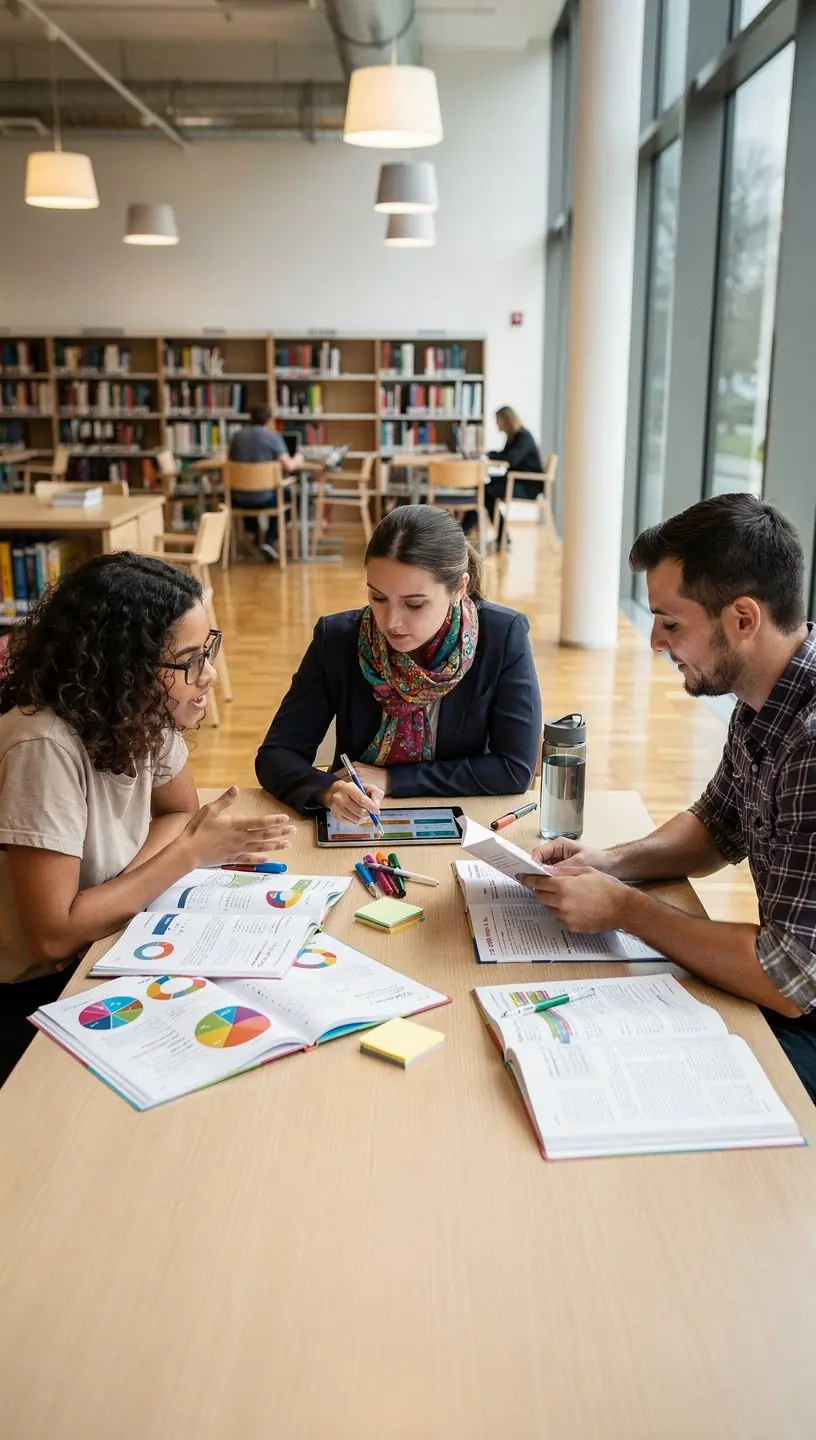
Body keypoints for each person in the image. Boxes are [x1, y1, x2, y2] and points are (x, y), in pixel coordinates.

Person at [522, 493, 816, 1099]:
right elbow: (716, 827)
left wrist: (625, 910)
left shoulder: (810, 743)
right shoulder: (765, 699)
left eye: (671, 622)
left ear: (743, 618)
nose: (655, 640)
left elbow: (789, 977)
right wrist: (611, 863)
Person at [0, 552, 295, 1083]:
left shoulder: (139, 712)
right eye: (189, 661)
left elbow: (179, 809)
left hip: (99, 946)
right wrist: (185, 856)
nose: (207, 675)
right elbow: (51, 936)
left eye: (208, 651)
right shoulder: (42, 746)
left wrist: (127, 885)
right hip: (36, 992)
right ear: (124, 665)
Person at [256, 504, 542, 821]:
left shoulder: (502, 636)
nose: (391, 622)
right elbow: (276, 756)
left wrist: (394, 779)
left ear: (459, 588)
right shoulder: (336, 639)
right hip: (358, 822)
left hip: (466, 822)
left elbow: (514, 769)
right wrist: (330, 791)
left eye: (414, 604)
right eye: (378, 598)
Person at [227, 404, 305, 561]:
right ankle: (270, 539)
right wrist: (299, 458)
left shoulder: (237, 437)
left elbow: (230, 461)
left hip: (238, 498)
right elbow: (289, 465)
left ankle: (255, 533)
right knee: (287, 495)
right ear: (269, 420)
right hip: (265, 498)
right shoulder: (273, 437)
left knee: (247, 490)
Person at [479, 405, 544, 543]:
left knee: (485, 491)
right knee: (483, 487)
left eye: (498, 421)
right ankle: (502, 536)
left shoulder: (523, 437)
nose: (497, 425)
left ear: (506, 420)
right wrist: (488, 453)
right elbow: (505, 455)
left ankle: (501, 536)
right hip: (516, 481)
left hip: (527, 486)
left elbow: (511, 459)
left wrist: (489, 454)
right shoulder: (513, 437)